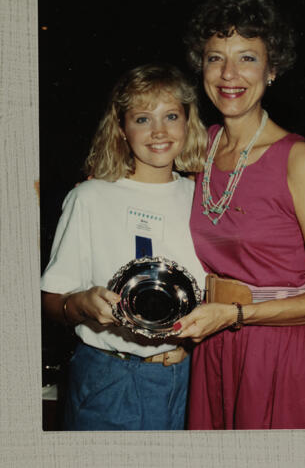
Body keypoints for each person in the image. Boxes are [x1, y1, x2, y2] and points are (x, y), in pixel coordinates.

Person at [175, 0, 305, 429]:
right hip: (216, 351)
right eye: (215, 58)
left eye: (247, 58)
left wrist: (237, 314)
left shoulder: (301, 161)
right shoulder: (197, 148)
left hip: (287, 356)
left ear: (272, 69)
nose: (229, 74)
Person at [41, 63, 207, 430]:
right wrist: (80, 303)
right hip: (108, 374)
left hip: (184, 376)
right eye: (143, 119)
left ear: (188, 121)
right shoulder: (90, 197)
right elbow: (51, 300)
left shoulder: (200, 197)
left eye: (171, 116)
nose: (159, 131)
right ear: (121, 128)